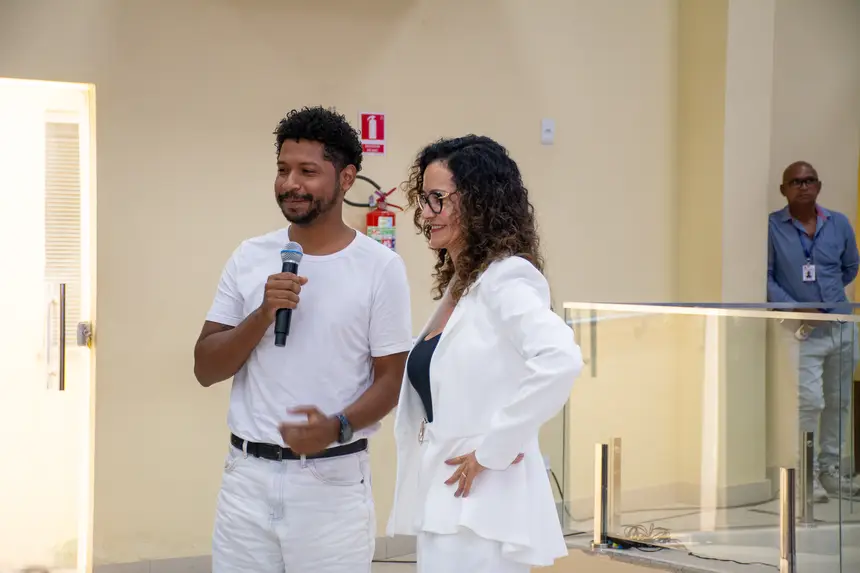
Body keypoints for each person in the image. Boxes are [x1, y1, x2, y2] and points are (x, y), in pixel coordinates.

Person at [194, 106, 412, 573]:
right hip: (246, 481)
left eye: (307, 172)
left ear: (346, 178)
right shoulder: (250, 256)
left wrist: (336, 427)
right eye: (282, 169)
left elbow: (392, 381)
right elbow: (205, 368)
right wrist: (262, 314)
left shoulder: (380, 268)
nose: (290, 183)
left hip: (330, 485)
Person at [387, 135, 583, 572]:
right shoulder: (465, 286)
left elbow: (560, 360)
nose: (425, 214)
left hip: (481, 506)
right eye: (423, 200)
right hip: (448, 497)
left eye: (438, 199)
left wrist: (495, 449)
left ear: (478, 202)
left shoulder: (506, 279)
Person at [768, 160, 860, 502]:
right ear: (784, 190)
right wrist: (797, 307)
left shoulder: (838, 223)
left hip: (840, 326)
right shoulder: (772, 227)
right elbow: (765, 277)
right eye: (795, 181)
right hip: (800, 330)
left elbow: (850, 265)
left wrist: (829, 297)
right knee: (808, 402)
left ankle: (831, 470)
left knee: (840, 401)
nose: (803, 186)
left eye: (809, 181)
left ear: (819, 186)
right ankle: (804, 475)